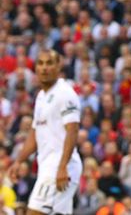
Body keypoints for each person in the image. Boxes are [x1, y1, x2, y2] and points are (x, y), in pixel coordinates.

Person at [8, 50, 82, 215]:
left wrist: (63, 166)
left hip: (59, 167)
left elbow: (73, 131)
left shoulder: (65, 94)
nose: (44, 68)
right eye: (40, 63)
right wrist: (19, 161)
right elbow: (35, 133)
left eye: (49, 63)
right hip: (48, 166)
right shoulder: (41, 96)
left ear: (58, 66)